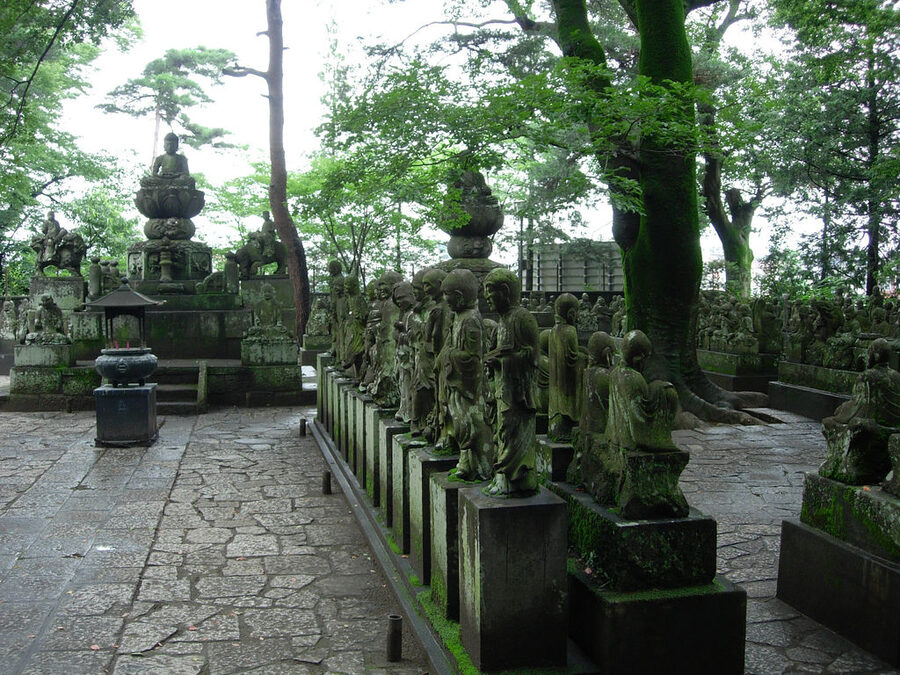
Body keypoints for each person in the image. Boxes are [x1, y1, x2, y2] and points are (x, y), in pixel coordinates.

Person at [483, 268, 539, 495]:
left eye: (490, 291)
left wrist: (503, 360)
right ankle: (502, 478)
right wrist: (493, 360)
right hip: (502, 388)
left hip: (518, 393)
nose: (486, 297)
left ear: (505, 291)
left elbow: (532, 357)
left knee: (513, 432)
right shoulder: (501, 322)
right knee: (501, 432)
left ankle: (519, 479)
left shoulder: (522, 318)